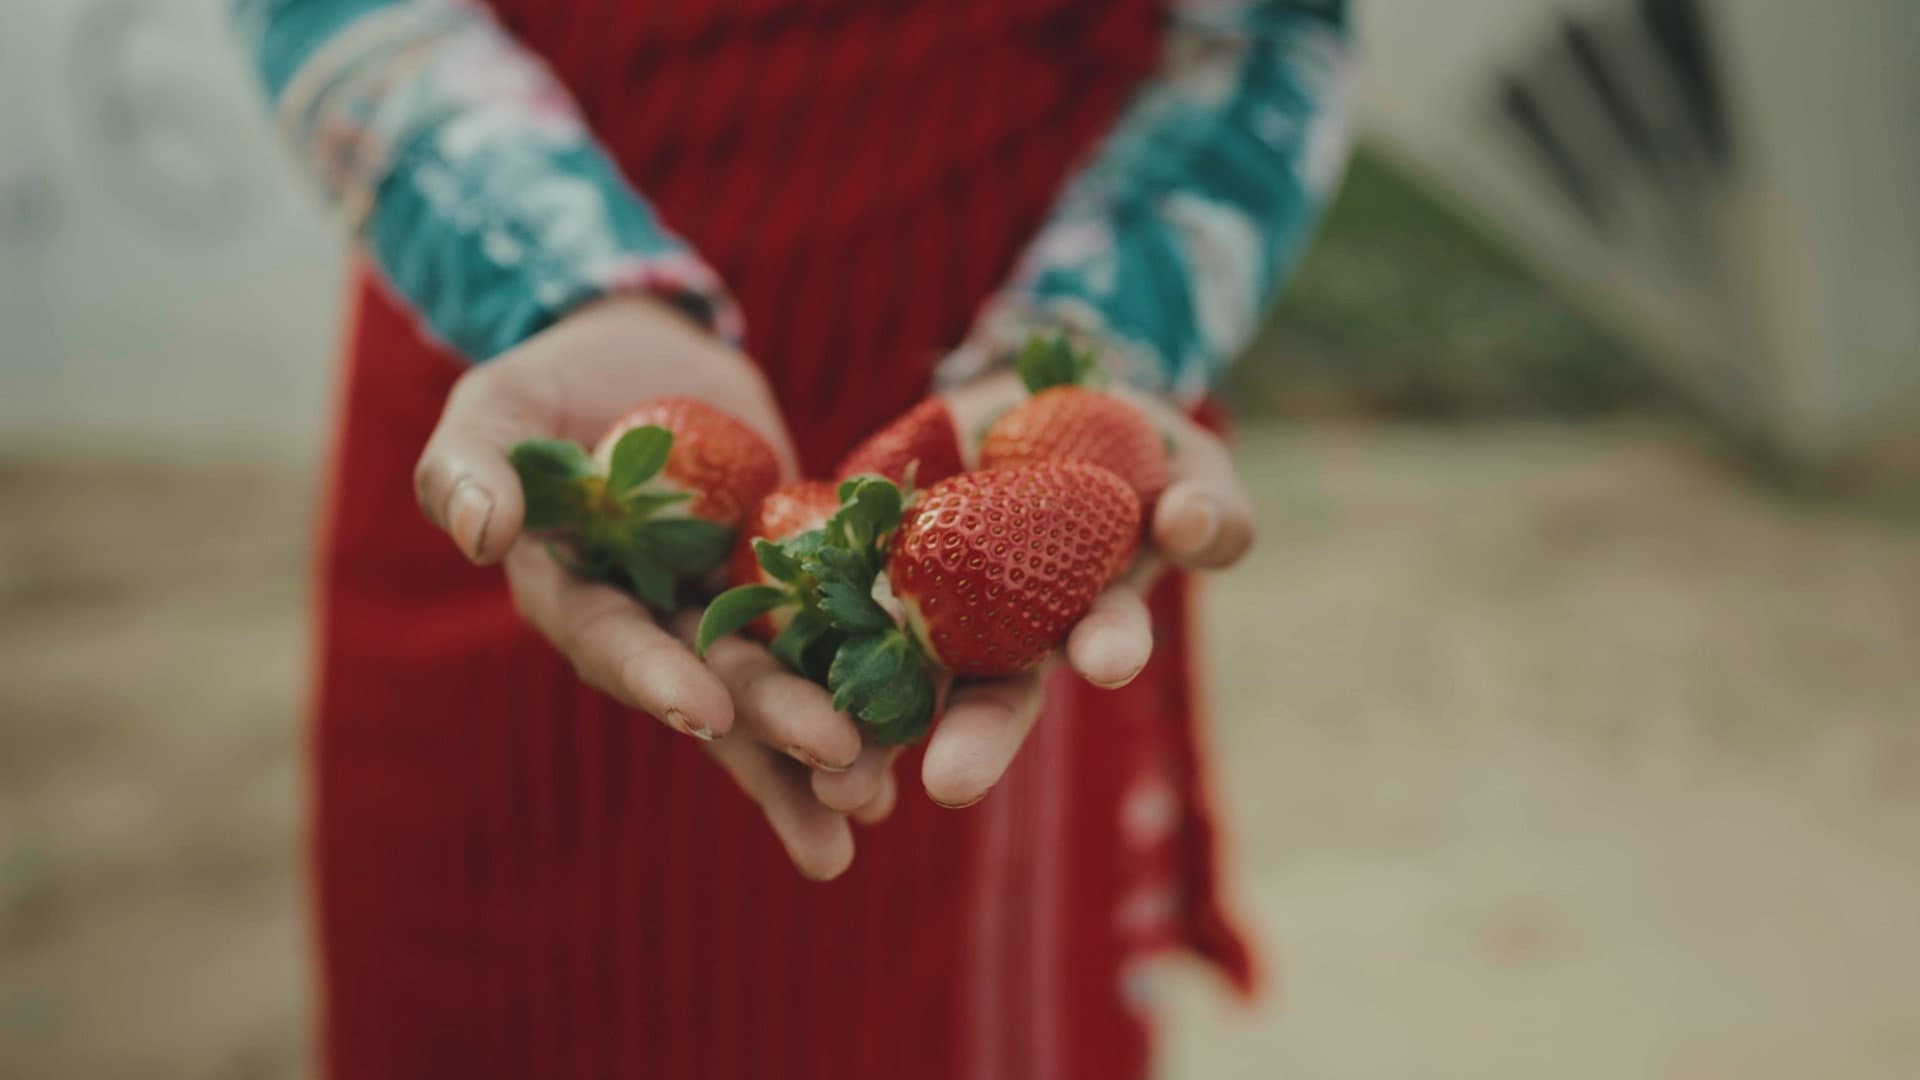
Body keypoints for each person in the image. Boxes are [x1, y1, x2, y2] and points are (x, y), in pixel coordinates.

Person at [235, 0, 1353, 1075]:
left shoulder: (996, 525)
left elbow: (1267, 29)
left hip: (982, 388)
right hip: (548, 398)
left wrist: (1094, 330)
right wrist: (571, 290)